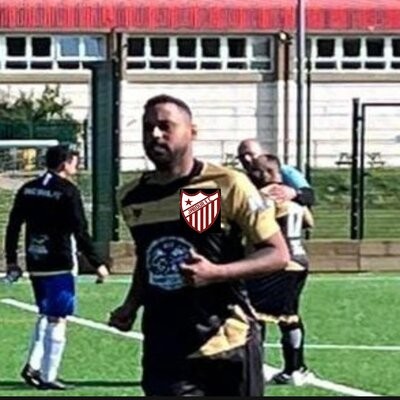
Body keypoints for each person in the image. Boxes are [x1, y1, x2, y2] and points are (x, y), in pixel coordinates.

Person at [108, 94, 290, 396]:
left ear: (192, 131)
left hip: (226, 343)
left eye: (165, 126)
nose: (155, 134)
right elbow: (149, 256)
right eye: (148, 127)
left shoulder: (221, 185)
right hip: (165, 348)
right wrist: (131, 304)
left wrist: (216, 273)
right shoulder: (132, 196)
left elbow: (277, 254)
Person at [4, 145, 109, 390]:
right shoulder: (68, 191)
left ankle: (33, 366)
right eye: (74, 161)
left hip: (35, 260)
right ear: (64, 163)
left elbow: (13, 225)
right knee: (58, 318)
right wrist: (97, 263)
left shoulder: (28, 188)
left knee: (46, 312)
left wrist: (12, 259)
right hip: (60, 262)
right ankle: (48, 376)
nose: (77, 166)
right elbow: (80, 230)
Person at [241, 153, 314, 386]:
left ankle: (256, 367)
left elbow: (256, 227)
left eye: (255, 170)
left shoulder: (262, 197)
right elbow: (309, 221)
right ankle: (295, 369)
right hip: (299, 260)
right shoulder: (291, 196)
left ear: (266, 173)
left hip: (274, 261)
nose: (250, 174)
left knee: (253, 314)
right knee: (289, 315)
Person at [237, 139, 315, 208]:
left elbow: (309, 195)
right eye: (241, 156)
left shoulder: (285, 171)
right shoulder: (243, 178)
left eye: (250, 154)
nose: (246, 159)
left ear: (264, 153)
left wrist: (293, 193)